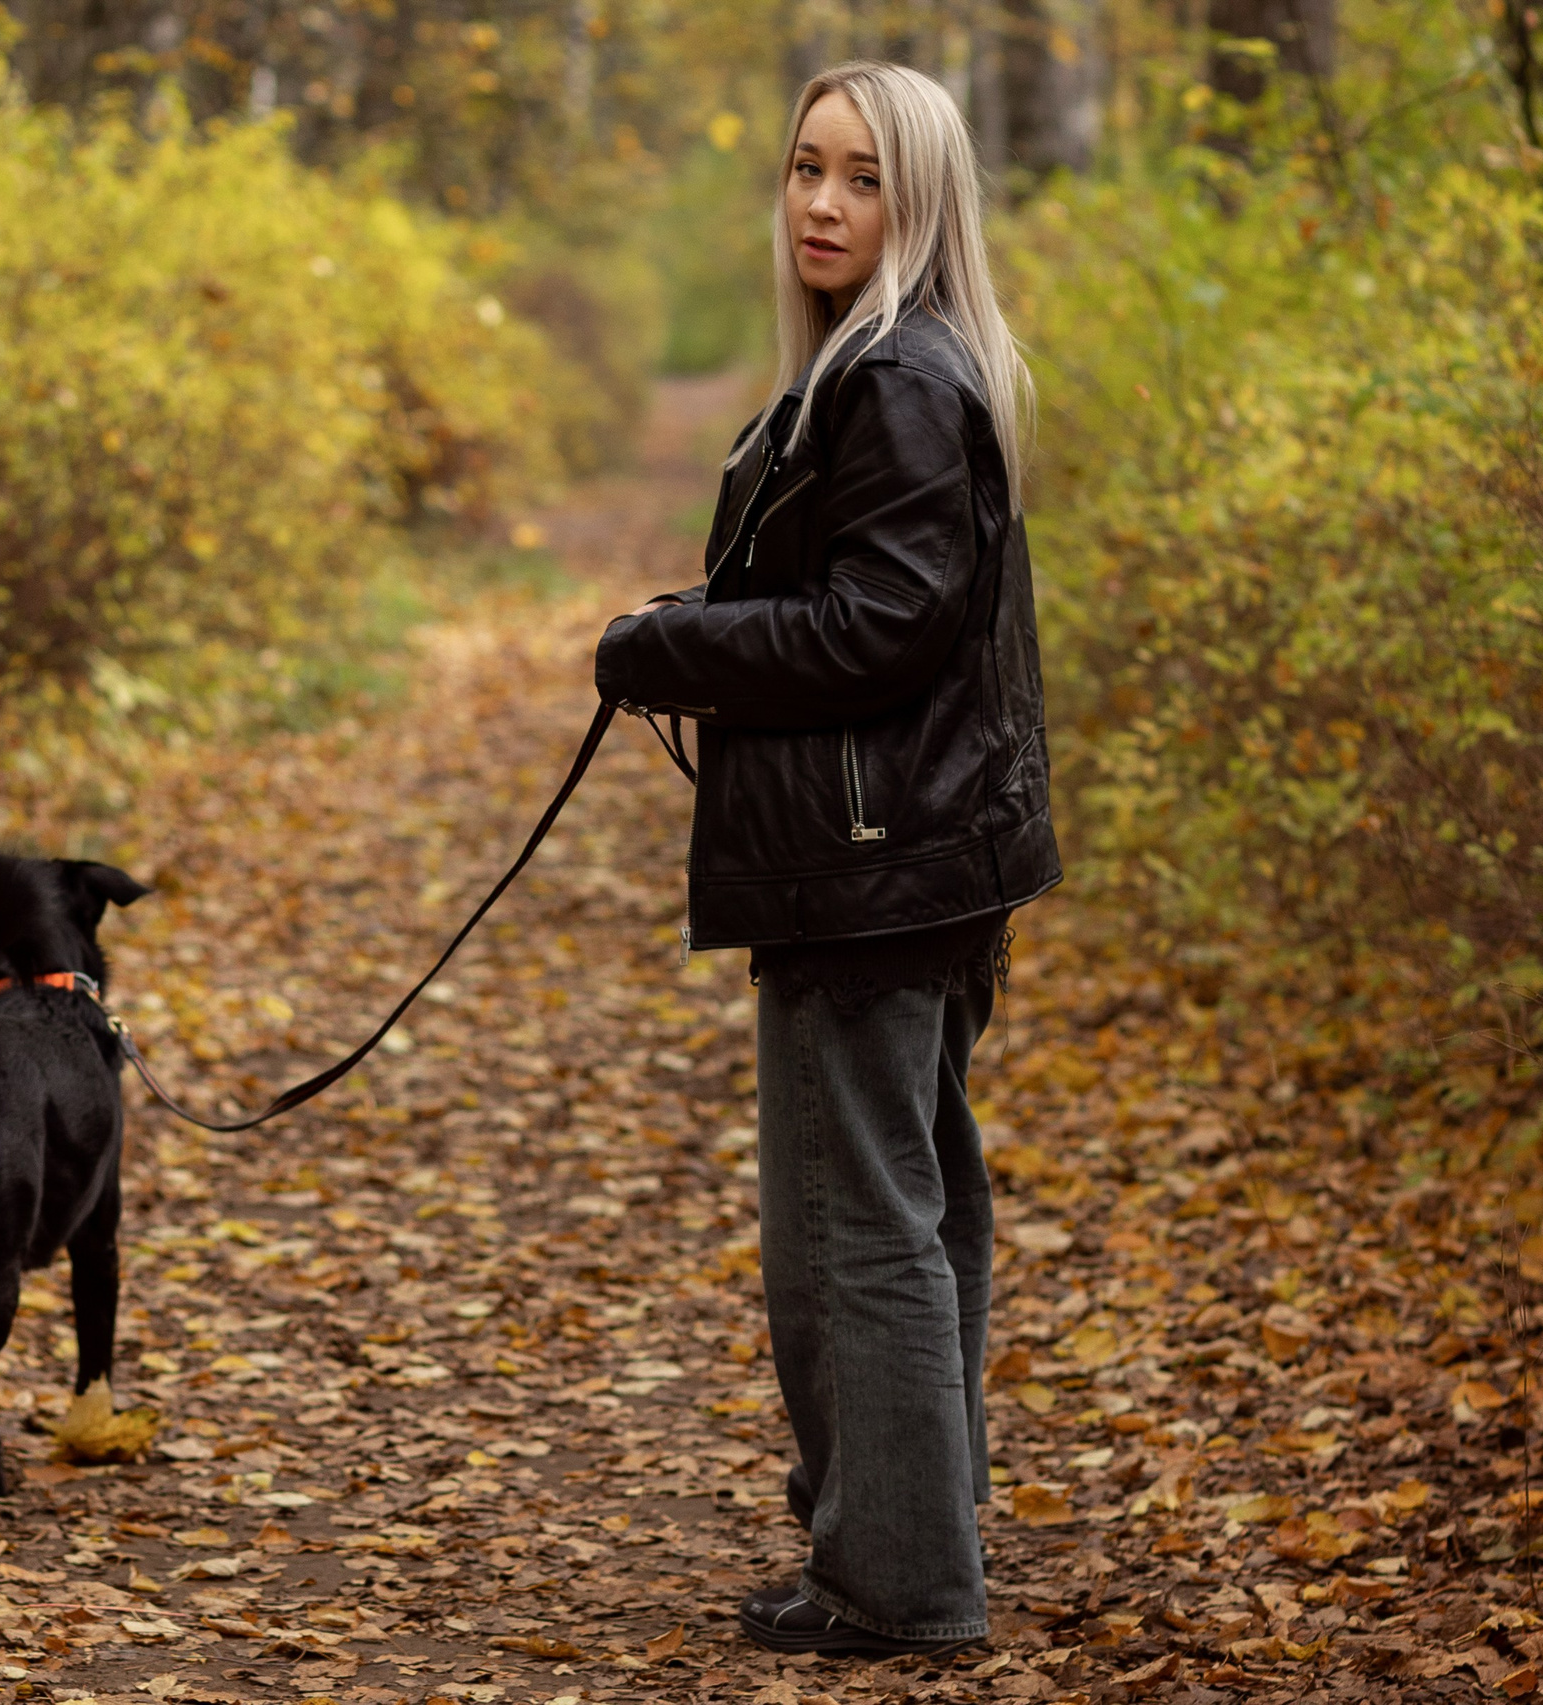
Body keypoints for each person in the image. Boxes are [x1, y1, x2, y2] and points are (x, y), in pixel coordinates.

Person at [593, 61, 1059, 1659]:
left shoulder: (898, 380)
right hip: (909, 854)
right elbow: (877, 603)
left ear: (918, 202)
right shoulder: (884, 372)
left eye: (863, 177)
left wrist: (673, 646)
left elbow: (882, 627)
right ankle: (903, 1543)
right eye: (806, 167)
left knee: (853, 1229)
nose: (821, 201)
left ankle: (901, 1580)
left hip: (875, 865)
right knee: (911, 1213)